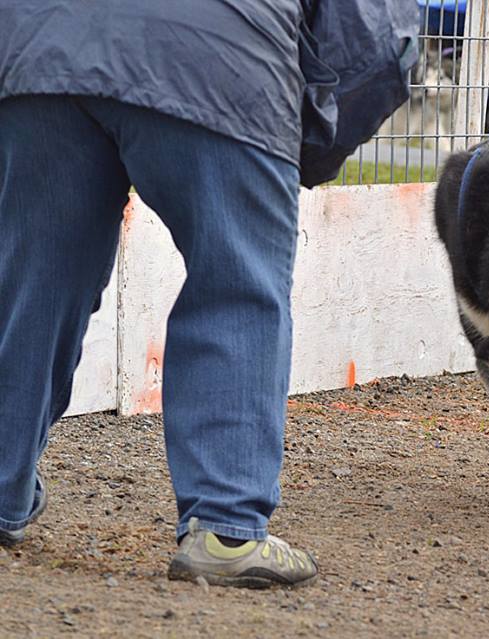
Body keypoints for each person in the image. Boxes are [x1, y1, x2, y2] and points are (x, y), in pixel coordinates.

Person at [0, 0, 415, 589]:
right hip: (221, 61)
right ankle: (225, 525)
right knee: (237, 283)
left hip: (43, 46)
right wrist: (307, 150)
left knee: (29, 280)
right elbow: (377, 42)